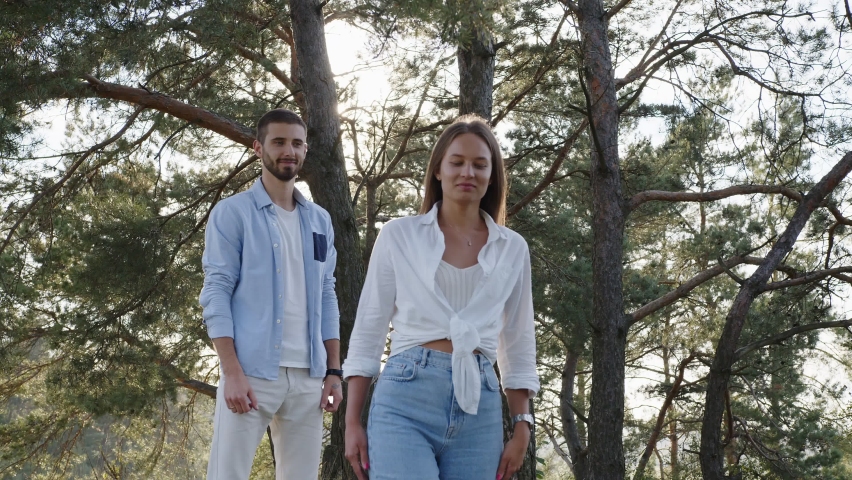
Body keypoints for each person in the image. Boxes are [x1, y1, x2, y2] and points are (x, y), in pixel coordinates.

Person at [343, 115, 539, 480]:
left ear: (492, 175)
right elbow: (369, 329)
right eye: (457, 162)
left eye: (480, 164)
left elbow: (517, 341)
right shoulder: (399, 236)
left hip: (479, 406)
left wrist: (522, 424)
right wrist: (352, 421)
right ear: (437, 170)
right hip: (405, 398)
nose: (468, 172)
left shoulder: (513, 248)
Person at [199, 109, 343, 480]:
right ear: (258, 147)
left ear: (305, 150)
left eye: (296, 143)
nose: (288, 151)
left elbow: (327, 293)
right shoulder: (233, 214)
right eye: (278, 142)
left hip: (309, 377)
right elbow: (216, 293)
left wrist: (332, 370)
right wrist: (231, 372)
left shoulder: (320, 221)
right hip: (251, 374)